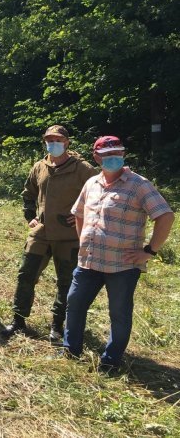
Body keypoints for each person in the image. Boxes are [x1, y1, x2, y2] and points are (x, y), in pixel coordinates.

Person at [63, 135, 174, 371]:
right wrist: (83, 240)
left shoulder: (138, 184)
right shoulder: (91, 183)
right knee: (74, 304)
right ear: (96, 157)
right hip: (88, 262)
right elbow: (79, 213)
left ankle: (111, 361)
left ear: (123, 155)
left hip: (122, 266)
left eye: (117, 154)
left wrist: (150, 251)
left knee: (119, 314)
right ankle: (70, 351)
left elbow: (165, 215)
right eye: (106, 155)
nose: (113, 159)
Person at [1, 125, 97, 341]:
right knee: (26, 275)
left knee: (66, 282)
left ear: (67, 142)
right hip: (41, 233)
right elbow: (29, 192)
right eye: (49, 139)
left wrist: (83, 214)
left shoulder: (82, 169)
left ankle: (57, 325)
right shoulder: (40, 166)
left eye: (57, 140)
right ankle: (18, 320)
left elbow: (98, 195)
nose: (53, 143)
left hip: (69, 236)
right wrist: (30, 216)